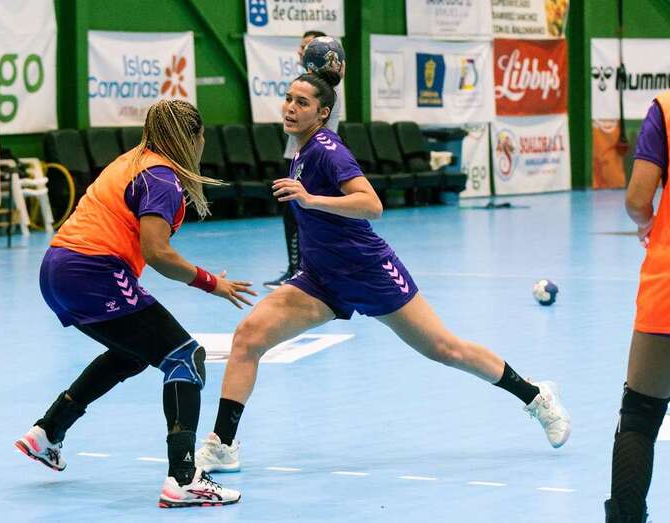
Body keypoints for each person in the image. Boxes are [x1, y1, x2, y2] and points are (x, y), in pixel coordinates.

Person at [196, 70, 571, 473]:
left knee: (445, 349)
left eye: (302, 103)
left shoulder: (327, 149)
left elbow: (371, 204)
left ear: (322, 113)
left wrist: (310, 199)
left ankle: (535, 396)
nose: (290, 107)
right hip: (321, 279)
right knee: (249, 337)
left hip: (369, 270)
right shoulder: (301, 149)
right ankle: (224, 444)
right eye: (288, 98)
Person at [14, 99, 256, 508]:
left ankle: (48, 431)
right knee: (184, 357)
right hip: (92, 270)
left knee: (133, 354)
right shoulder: (161, 177)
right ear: (194, 138)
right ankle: (183, 479)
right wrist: (212, 283)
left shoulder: (134, 160)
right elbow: (158, 253)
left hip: (57, 267)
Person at [604, 92, 670, 523]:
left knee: (640, 416)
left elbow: (636, 198)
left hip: (668, 284)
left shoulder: (666, 107)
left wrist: (648, 223)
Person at [263, 30, 345, 290]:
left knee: (301, 214)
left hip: (313, 160)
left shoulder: (324, 91)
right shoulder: (309, 85)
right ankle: (299, 268)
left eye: (307, 47)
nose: (300, 51)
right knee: (295, 215)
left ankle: (303, 270)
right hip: (297, 156)